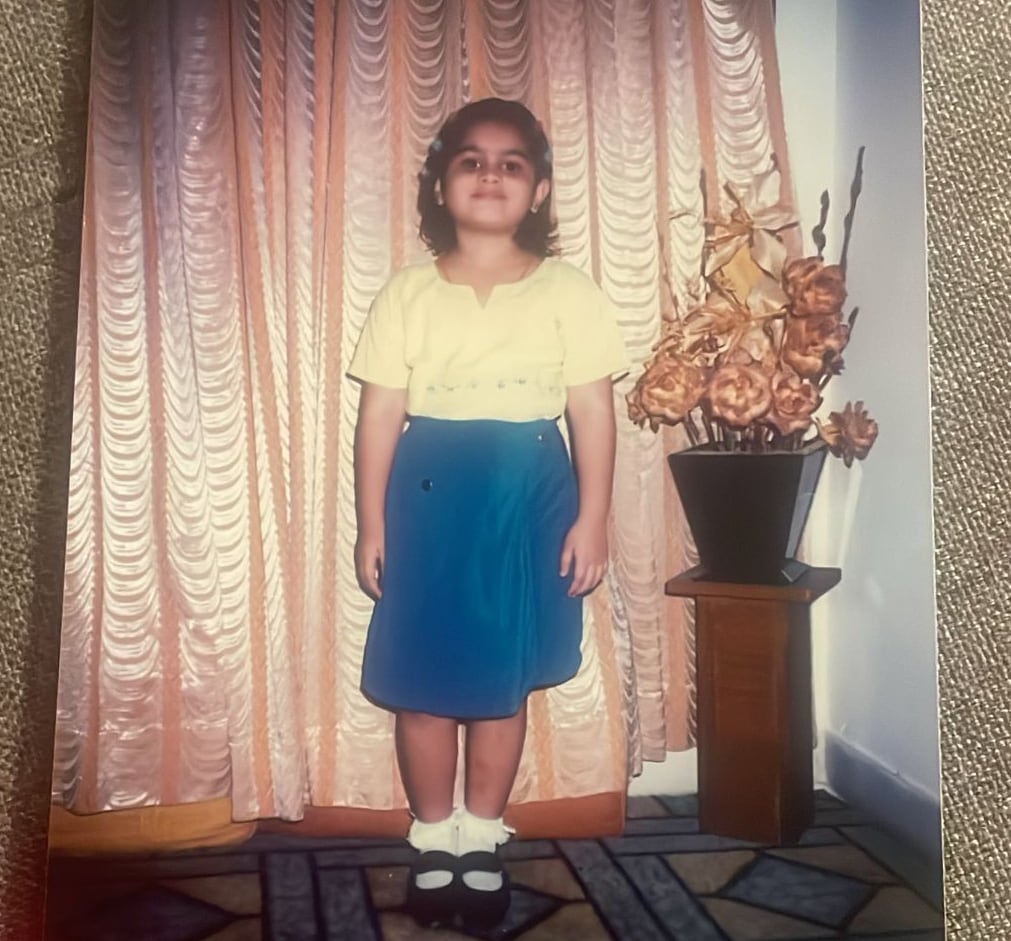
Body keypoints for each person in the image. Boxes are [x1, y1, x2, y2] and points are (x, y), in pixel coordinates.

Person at [348, 97, 628, 929]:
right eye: (471, 159)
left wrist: (594, 517)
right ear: (441, 182)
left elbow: (592, 413)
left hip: (528, 500)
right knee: (425, 683)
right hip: (429, 502)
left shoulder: (568, 292)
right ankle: (433, 838)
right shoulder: (404, 293)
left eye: (511, 163)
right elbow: (378, 418)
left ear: (538, 189)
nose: (490, 175)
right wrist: (371, 524)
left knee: (501, 683)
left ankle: (480, 837)